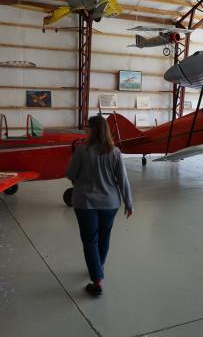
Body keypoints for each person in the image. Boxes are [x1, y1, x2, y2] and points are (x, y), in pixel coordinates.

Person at [66, 115, 133, 297]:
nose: (85, 129)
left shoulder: (81, 151)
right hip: (110, 204)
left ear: (93, 130)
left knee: (89, 241)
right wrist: (128, 202)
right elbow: (123, 180)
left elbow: (70, 173)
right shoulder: (115, 152)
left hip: (85, 204)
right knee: (104, 238)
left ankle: (96, 281)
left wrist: (80, 182)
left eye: (88, 127)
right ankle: (98, 267)